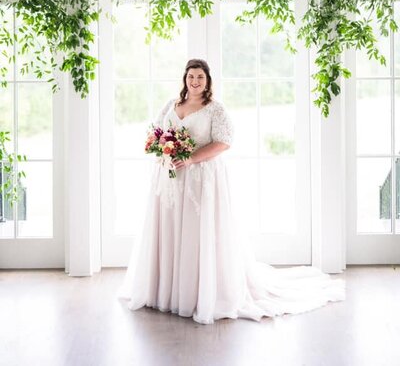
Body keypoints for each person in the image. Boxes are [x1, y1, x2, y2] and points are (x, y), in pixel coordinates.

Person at [117, 58, 345, 324]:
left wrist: (191, 158)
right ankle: (167, 291)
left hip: (201, 179)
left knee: (196, 232)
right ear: (185, 79)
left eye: (200, 77)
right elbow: (156, 133)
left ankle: (198, 294)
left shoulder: (215, 109)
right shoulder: (172, 105)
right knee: (170, 229)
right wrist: (162, 151)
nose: (195, 81)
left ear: (207, 80)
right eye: (191, 76)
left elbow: (224, 143)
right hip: (170, 179)